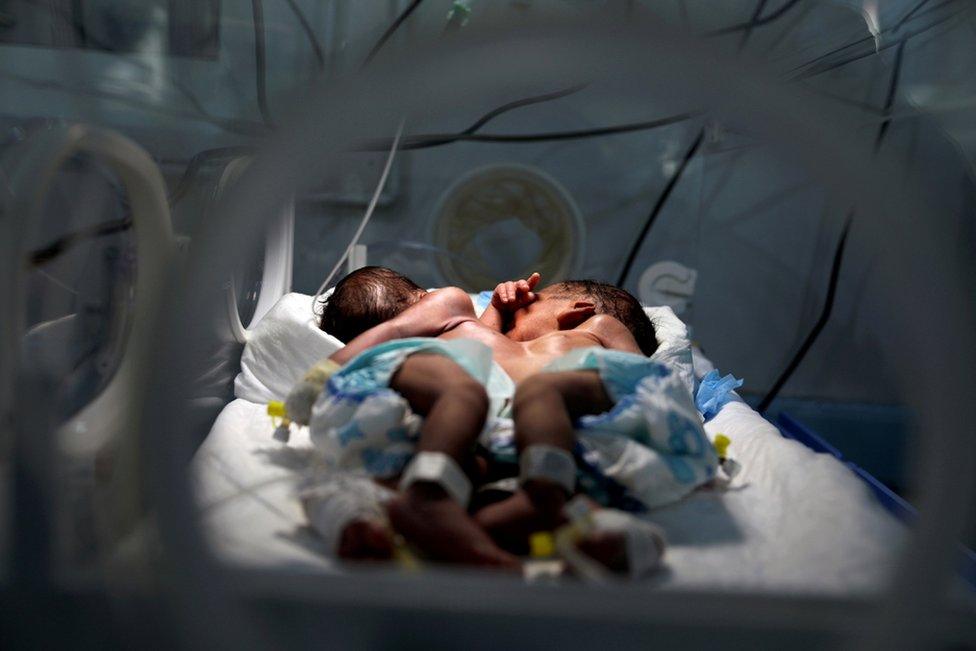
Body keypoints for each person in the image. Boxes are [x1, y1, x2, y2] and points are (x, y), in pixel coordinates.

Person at [298, 269, 713, 577]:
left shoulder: (599, 327)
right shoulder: (477, 331)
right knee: (482, 464)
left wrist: (671, 420)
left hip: (562, 409)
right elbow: (477, 346)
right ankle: (526, 525)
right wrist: (496, 312)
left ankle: (543, 525)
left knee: (539, 409)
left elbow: (643, 382)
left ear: (575, 310)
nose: (515, 314)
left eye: (529, 305)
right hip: (502, 430)